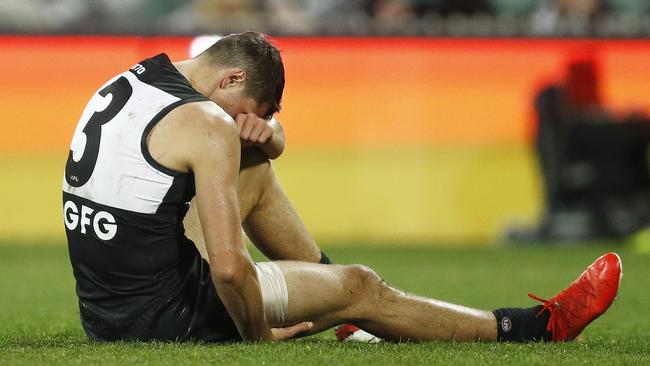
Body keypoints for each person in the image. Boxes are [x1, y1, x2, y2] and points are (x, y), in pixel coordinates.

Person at [62, 31, 622, 343]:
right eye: (245, 113)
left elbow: (250, 147)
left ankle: (349, 326)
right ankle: (532, 328)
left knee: (254, 171)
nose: (237, 126)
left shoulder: (135, 78)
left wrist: (268, 135)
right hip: (163, 318)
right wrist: (257, 338)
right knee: (360, 283)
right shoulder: (208, 125)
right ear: (232, 80)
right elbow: (231, 269)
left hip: (104, 308)